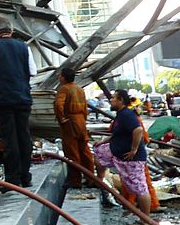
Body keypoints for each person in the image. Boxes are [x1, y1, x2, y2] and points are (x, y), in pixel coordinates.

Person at [0, 16, 36, 190]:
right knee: (24, 137)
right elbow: (32, 71)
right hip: (23, 98)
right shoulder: (24, 47)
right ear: (11, 30)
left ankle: (12, 180)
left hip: (3, 99)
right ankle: (26, 177)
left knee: (9, 139)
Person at [93, 89, 152, 217]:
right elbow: (117, 133)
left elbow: (138, 130)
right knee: (98, 152)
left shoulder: (126, 114)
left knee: (140, 188)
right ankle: (100, 179)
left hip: (132, 159)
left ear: (121, 101)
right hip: (117, 153)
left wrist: (134, 150)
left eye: (113, 98)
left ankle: (145, 220)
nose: (111, 100)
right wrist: (104, 141)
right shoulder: (120, 115)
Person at [53, 66, 95, 188]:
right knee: (85, 152)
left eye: (60, 75)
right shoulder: (79, 89)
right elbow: (85, 108)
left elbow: (58, 104)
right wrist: (83, 121)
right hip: (81, 121)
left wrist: (61, 118)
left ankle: (75, 181)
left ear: (64, 77)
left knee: (72, 152)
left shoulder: (64, 89)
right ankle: (90, 179)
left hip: (70, 122)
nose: (59, 77)